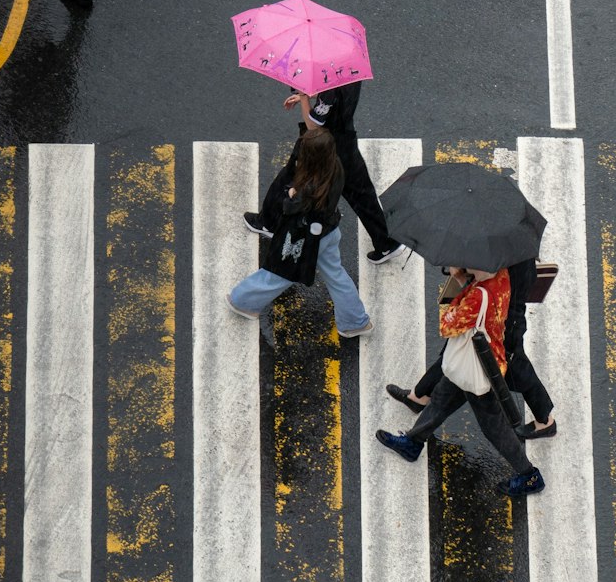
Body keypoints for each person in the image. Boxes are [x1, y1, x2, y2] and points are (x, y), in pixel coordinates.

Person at [375, 265, 545, 498]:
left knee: (494, 428)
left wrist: (457, 285)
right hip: (480, 359)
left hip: (477, 369)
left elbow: (447, 326)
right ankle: (413, 442)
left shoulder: (477, 296)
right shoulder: (502, 276)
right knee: (440, 400)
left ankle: (529, 475)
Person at [385, 258, 556, 439]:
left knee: (517, 368)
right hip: (502, 319)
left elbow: (452, 323)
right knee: (457, 352)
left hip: (501, 326)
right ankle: (419, 396)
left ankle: (544, 421)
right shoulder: (516, 251)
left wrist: (461, 279)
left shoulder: (499, 268)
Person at [227, 129, 373, 337]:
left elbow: (291, 207)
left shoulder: (310, 186)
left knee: (281, 271)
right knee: (336, 275)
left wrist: (291, 194)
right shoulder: (335, 166)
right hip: (329, 232)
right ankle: (354, 321)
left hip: (306, 239)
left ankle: (242, 300)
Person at [242, 81, 405, 264]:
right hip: (346, 143)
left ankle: (269, 222)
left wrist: (304, 98)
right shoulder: (349, 73)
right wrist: (315, 96)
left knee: (288, 177)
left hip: (321, 147)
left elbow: (313, 126)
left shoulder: (329, 88)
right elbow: (335, 100)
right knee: (362, 195)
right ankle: (385, 243)